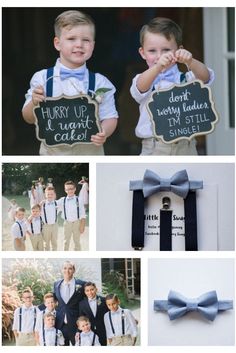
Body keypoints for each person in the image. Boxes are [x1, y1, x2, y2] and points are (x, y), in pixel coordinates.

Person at [22, 9, 118, 156]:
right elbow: (28, 118)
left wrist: (104, 131)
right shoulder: (42, 79)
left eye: (86, 40)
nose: (79, 44)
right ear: (57, 43)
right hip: (52, 153)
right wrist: (34, 102)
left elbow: (110, 116)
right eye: (71, 39)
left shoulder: (101, 83)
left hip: (90, 151)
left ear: (92, 45)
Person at [130, 17, 215, 155]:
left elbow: (205, 77)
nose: (160, 56)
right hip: (154, 146)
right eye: (152, 51)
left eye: (166, 50)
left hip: (185, 144)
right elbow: (140, 87)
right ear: (142, 53)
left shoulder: (186, 78)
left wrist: (190, 61)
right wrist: (158, 67)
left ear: (178, 50)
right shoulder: (144, 79)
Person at [53, 261, 86, 345]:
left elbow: (86, 302)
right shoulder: (56, 284)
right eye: (65, 268)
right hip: (61, 324)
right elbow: (53, 300)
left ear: (74, 270)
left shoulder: (81, 284)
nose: (67, 271)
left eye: (70, 268)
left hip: (76, 324)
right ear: (61, 270)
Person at [57, 180, 86, 251]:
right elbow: (53, 205)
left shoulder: (79, 199)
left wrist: (82, 225)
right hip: (67, 223)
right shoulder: (62, 200)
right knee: (66, 241)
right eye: (67, 189)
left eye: (71, 189)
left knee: (77, 241)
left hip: (77, 222)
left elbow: (82, 214)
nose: (70, 191)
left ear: (75, 189)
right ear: (65, 190)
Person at [41, 186, 58, 251]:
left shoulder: (57, 203)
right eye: (48, 194)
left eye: (52, 194)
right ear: (45, 195)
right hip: (46, 226)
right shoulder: (42, 204)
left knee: (54, 242)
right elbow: (35, 212)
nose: (50, 196)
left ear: (54, 194)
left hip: (55, 225)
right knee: (46, 243)